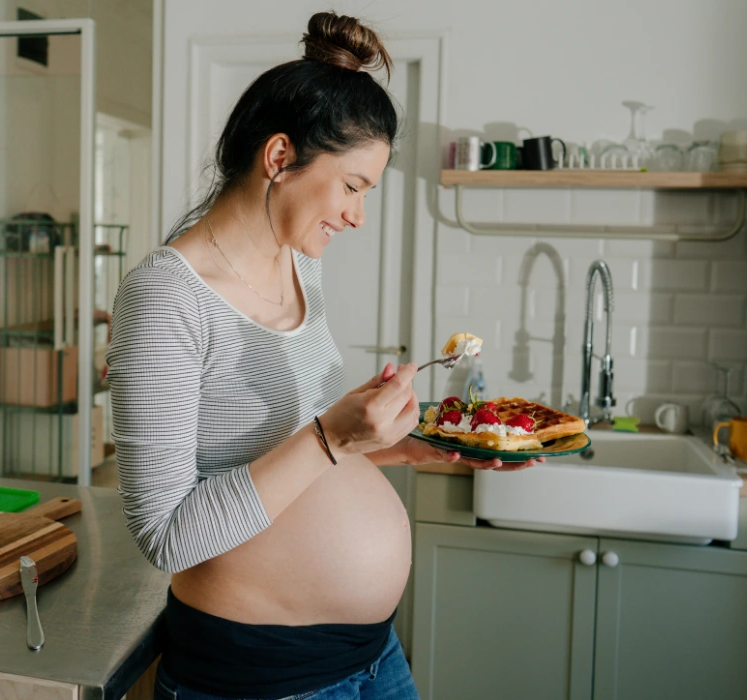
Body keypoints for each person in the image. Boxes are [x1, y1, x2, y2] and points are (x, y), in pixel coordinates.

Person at [107, 12, 541, 700]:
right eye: (352, 186)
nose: (358, 216)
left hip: (373, 656)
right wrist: (332, 433)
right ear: (279, 158)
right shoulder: (167, 296)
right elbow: (167, 536)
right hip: (261, 675)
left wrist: (404, 446)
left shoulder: (297, 266)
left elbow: (295, 460)